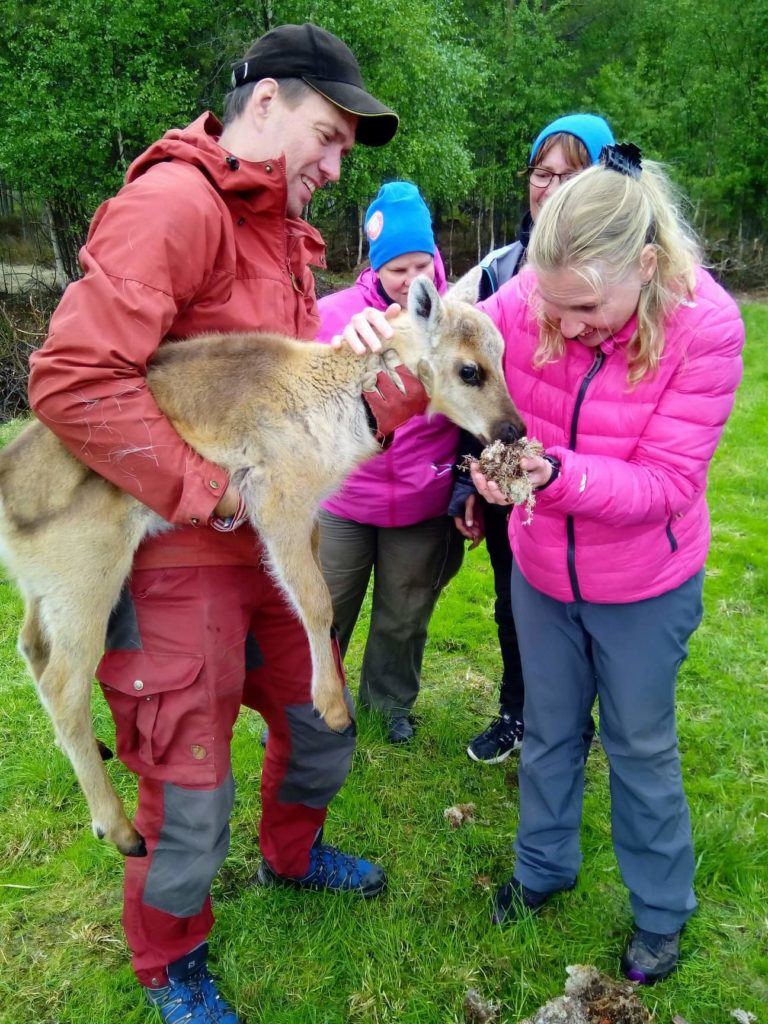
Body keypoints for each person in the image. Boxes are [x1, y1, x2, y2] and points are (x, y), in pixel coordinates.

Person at [26, 23, 403, 1024]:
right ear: (267, 104)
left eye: (343, 153)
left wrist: (358, 356)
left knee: (321, 722)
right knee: (188, 777)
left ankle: (293, 856)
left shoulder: (283, 230)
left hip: (267, 544)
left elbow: (269, 390)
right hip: (176, 547)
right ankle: (171, 959)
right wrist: (207, 488)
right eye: (327, 137)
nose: (333, 166)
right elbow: (72, 381)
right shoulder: (174, 204)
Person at [470, 145, 744, 983]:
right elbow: (463, 365)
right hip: (543, 570)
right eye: (552, 306)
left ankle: (661, 912)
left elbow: (666, 483)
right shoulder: (529, 297)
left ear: (647, 266)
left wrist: (555, 472)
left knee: (639, 744)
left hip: (645, 583)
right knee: (549, 731)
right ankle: (542, 869)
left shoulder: (707, 326)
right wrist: (485, 459)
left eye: (587, 307)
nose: (565, 324)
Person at [452, 114, 616, 764]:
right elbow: (457, 373)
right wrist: (467, 483)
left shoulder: (626, 278)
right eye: (540, 174)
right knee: (512, 598)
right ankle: (516, 713)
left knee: (587, 610)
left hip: (591, 475)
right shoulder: (498, 271)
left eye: (568, 175)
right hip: (511, 470)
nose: (549, 188)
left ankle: (575, 722)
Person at [315, 182, 465, 744]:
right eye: (397, 268)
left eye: (421, 264)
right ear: (375, 265)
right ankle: (312, 705)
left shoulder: (458, 319)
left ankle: (389, 705)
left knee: (405, 614)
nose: (410, 279)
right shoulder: (333, 316)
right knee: (326, 607)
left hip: (422, 502)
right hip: (346, 499)